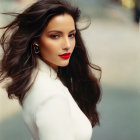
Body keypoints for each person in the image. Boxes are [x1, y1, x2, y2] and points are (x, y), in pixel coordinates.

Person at [0, 0, 101, 140]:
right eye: (55, 36)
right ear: (35, 40)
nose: (67, 45)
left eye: (71, 35)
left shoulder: (33, 76)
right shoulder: (52, 97)